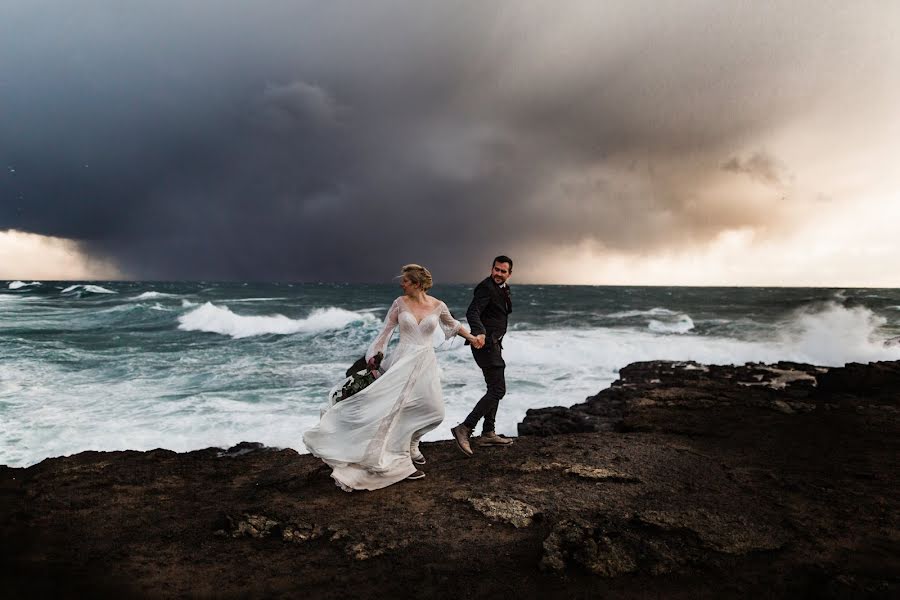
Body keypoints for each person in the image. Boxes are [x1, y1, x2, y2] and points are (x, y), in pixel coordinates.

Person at [303, 264, 482, 491]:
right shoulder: (399, 303)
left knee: (435, 411)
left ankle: (413, 443)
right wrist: (375, 354)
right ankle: (400, 463)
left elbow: (453, 325)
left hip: (425, 363)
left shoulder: (438, 306)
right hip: (401, 361)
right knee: (393, 411)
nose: (401, 284)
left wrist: (473, 338)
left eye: (406, 281)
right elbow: (385, 332)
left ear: (417, 284)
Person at [450, 256, 515, 456]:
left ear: (509, 274)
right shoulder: (486, 287)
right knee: (497, 390)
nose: (499, 274)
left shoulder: (503, 288)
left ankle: (488, 432)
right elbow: (473, 312)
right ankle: (465, 427)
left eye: (503, 271)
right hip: (484, 344)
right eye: (496, 269)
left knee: (494, 389)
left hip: (493, 344)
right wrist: (479, 333)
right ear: (491, 269)